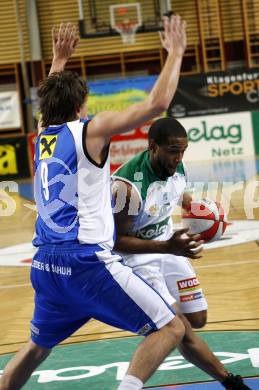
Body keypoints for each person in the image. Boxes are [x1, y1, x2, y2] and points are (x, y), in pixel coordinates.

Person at [0, 17, 203, 390]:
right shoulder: (90, 131)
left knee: (35, 349)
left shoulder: (44, 134)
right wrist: (175, 52)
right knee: (171, 327)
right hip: (86, 263)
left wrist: (59, 60)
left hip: (45, 264)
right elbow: (157, 103)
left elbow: (50, 102)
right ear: (81, 104)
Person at [112, 117, 251, 390]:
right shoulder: (127, 189)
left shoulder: (175, 166)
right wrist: (167, 247)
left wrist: (203, 210)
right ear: (153, 147)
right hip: (139, 261)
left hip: (169, 247)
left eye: (183, 151)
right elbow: (116, 242)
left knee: (197, 319)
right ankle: (230, 382)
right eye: (173, 151)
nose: (179, 157)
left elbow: (175, 193)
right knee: (179, 328)